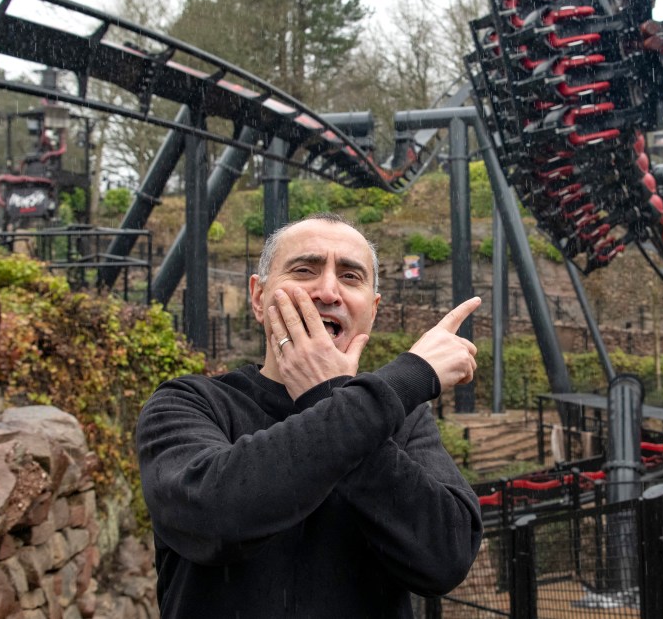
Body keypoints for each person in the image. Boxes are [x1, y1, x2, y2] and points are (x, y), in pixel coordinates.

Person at [137, 212, 484, 618]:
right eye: (304, 269)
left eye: (351, 277)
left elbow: (446, 557)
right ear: (258, 297)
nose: (328, 290)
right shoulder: (188, 402)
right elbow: (214, 515)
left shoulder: (405, 422)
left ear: (372, 310)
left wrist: (330, 395)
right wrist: (403, 380)